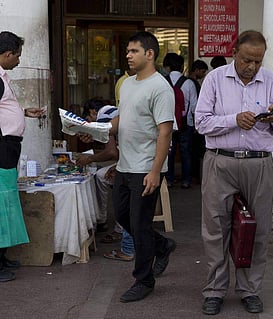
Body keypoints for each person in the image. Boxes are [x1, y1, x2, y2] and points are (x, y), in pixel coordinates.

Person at [195, 30, 273, 315]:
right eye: (247, 60)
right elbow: (201, 122)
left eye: (258, 62)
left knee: (259, 230)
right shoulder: (215, 79)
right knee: (216, 229)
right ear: (234, 52)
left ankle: (250, 289)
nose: (252, 67)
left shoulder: (271, 80)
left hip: (259, 164)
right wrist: (234, 120)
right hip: (219, 161)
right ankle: (215, 290)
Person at [81, 31, 176, 302]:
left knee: (139, 224)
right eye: (127, 52)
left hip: (146, 167)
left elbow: (165, 132)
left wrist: (156, 171)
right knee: (123, 217)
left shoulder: (160, 88)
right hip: (125, 165)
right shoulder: (128, 84)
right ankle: (163, 245)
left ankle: (144, 280)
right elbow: (122, 119)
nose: (128, 55)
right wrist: (94, 128)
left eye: (133, 51)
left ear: (150, 54)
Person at [0, 31, 44, 282]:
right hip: (3, 147)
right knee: (1, 203)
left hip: (8, 146)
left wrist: (23, 112)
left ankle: (3, 256)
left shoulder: (2, 77)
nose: (18, 60)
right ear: (7, 54)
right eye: (17, 56)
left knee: (6, 202)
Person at [78, 99, 119, 233]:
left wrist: (89, 159)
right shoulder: (112, 111)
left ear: (93, 112)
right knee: (102, 173)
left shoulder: (104, 115)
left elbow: (111, 152)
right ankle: (102, 219)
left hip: (137, 164)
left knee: (101, 176)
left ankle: (103, 220)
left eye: (88, 120)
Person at [164, 53, 198, 188]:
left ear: (166, 67)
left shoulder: (162, 81)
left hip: (166, 123)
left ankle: (169, 179)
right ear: (182, 66)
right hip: (186, 123)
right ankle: (186, 180)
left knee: (168, 152)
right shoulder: (189, 83)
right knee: (186, 152)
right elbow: (195, 105)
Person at [188, 59, 208, 183]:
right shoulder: (193, 84)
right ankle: (193, 177)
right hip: (192, 123)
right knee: (193, 152)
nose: (204, 74)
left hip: (185, 122)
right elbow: (195, 106)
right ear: (196, 70)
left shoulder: (186, 82)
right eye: (202, 71)